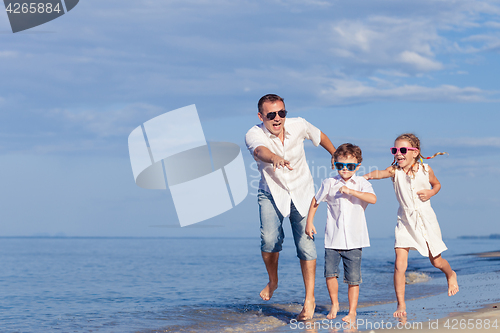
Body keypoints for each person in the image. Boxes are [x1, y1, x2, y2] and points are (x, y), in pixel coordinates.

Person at [245, 94, 336, 321]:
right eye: (271, 115)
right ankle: (273, 280)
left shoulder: (299, 124)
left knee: (306, 245)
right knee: (269, 240)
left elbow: (319, 135)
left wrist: (334, 153)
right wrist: (274, 156)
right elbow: (258, 151)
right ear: (261, 116)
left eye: (281, 113)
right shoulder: (254, 133)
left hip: (303, 191)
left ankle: (309, 300)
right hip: (271, 193)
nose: (278, 119)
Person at [363, 133, 459, 318]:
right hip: (405, 222)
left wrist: (431, 193)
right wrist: (367, 176)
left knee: (436, 261)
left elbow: (437, 184)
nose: (398, 154)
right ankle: (401, 304)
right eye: (395, 150)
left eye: (403, 150)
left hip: (426, 220)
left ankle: (450, 274)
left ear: (415, 153)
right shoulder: (394, 171)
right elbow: (380, 173)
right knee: (400, 265)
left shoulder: (425, 169)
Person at [305, 143, 376, 325]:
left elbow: (373, 199)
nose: (345, 169)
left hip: (355, 240)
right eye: (340, 165)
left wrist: (351, 191)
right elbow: (315, 201)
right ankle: (335, 304)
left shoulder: (362, 183)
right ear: (334, 164)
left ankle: (352, 312)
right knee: (330, 274)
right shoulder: (329, 183)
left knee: (353, 279)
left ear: (357, 166)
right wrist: (309, 222)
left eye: (350, 166)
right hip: (332, 239)